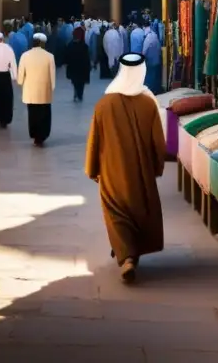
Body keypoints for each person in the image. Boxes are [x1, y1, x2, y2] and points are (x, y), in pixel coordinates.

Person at [85, 53, 166, 284]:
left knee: (116, 211)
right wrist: (156, 168)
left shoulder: (104, 104)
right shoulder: (148, 103)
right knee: (137, 210)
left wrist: (92, 168)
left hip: (111, 170)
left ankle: (126, 256)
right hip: (140, 172)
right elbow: (158, 142)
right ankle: (130, 254)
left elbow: (94, 139)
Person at [17, 32, 56, 147]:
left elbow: (20, 76)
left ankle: (35, 135)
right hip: (44, 92)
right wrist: (52, 88)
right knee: (44, 114)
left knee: (32, 114)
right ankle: (42, 136)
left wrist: (21, 83)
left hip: (30, 92)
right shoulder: (49, 56)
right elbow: (52, 76)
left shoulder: (25, 55)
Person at [65, 25, 91, 102]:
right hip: (82, 68)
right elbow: (87, 59)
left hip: (73, 67)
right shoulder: (84, 46)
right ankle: (80, 95)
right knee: (81, 83)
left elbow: (67, 56)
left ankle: (76, 93)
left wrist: (66, 63)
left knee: (75, 82)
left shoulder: (70, 45)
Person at [142, 25, 162, 94]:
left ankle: (149, 91)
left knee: (149, 77)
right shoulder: (155, 35)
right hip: (156, 60)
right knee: (155, 77)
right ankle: (155, 91)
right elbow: (159, 47)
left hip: (150, 61)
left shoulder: (148, 38)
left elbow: (144, 51)